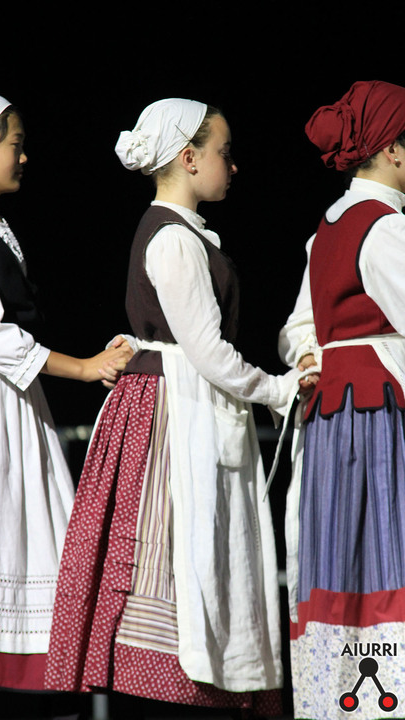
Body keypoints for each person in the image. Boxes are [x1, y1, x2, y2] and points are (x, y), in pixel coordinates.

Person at [45, 98, 303, 717]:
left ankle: (194, 684)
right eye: (224, 153)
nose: (232, 167)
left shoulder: (178, 234)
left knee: (193, 549)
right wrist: (278, 389)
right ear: (188, 158)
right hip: (174, 413)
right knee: (179, 547)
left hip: (176, 399)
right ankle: (177, 684)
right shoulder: (174, 240)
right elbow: (207, 350)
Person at [0, 90, 132, 692]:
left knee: (33, 527)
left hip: (9, 400)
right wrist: (87, 368)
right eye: (14, 145)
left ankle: (39, 667)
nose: (23, 157)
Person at [278, 80, 405, 720]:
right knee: (382, 553)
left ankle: (341, 700)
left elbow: (296, 328)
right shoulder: (385, 228)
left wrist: (309, 356)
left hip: (335, 420)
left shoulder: (327, 227)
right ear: (395, 150)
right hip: (375, 417)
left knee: (342, 559)